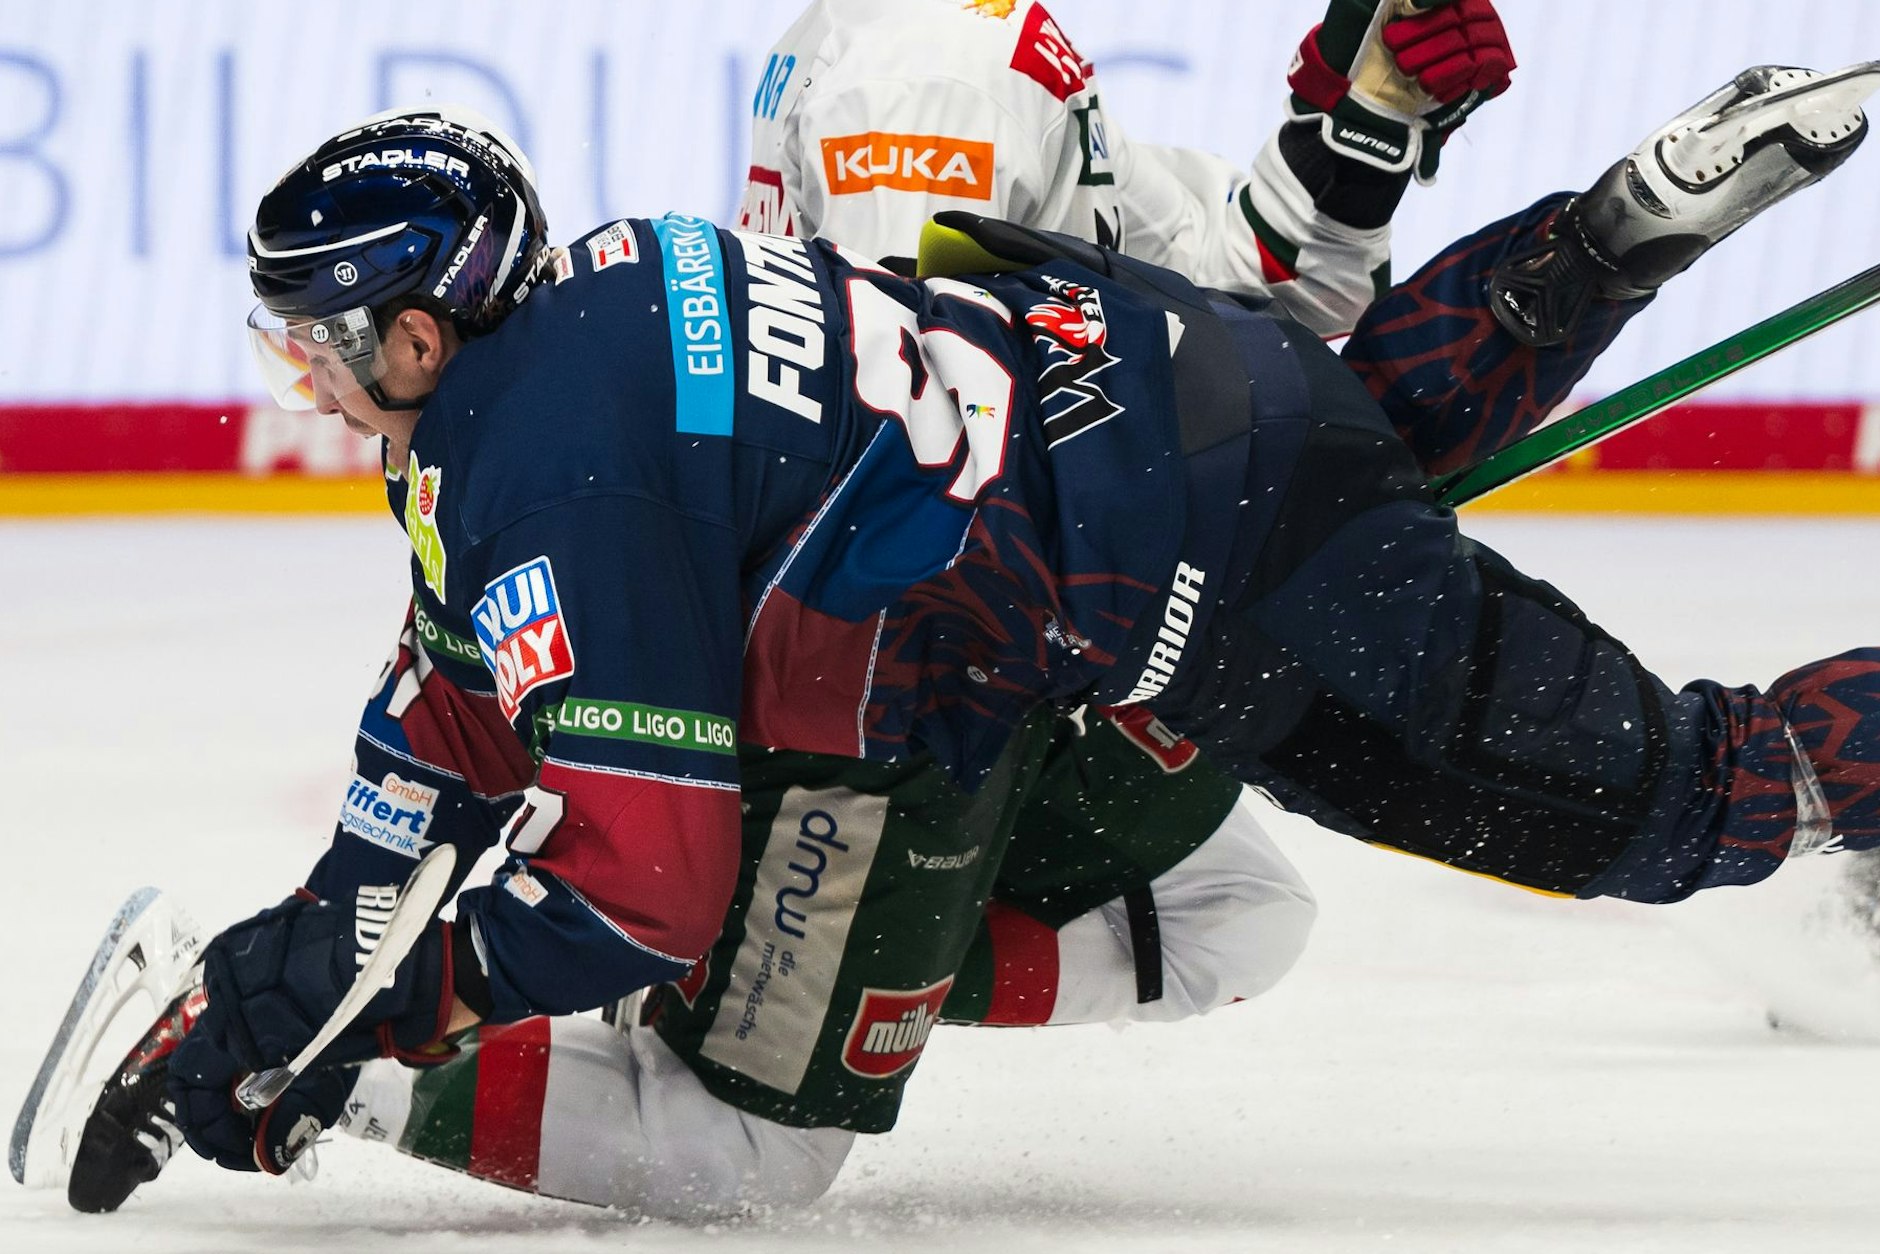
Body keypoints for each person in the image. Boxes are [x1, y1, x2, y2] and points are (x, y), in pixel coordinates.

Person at [139, 59, 1879, 1209]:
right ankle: (1605, 230)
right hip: (1151, 377)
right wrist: (301, 954)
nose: (302, 374)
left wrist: (366, 1020)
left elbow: (640, 886)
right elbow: (457, 695)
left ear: (425, 333)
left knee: (1684, 808)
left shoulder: (551, 479)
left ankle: (1837, 765)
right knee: (1343, 469)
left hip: (1195, 586)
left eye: (320, 338)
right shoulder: (599, 286)